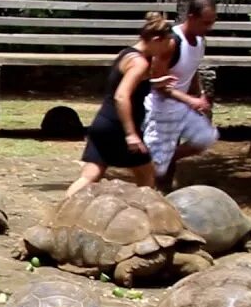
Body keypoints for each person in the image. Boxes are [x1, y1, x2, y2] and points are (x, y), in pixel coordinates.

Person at [65, 12, 177, 198]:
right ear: (157, 39)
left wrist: (155, 83)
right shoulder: (139, 62)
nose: (167, 50)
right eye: (166, 44)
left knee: (90, 176)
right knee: (147, 177)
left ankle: (60, 216)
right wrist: (131, 134)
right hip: (118, 129)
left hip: (103, 123)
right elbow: (122, 96)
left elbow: (128, 85)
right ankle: (147, 218)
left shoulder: (127, 53)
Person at [145, 0, 221, 192]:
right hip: (160, 107)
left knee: (206, 137)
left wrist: (200, 94)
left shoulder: (200, 41)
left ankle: (164, 158)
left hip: (181, 105)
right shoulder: (171, 42)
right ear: (191, 17)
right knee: (159, 168)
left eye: (212, 22)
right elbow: (158, 83)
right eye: (205, 22)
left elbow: (192, 69)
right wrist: (190, 100)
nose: (209, 27)